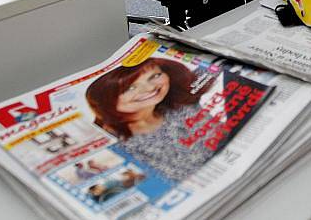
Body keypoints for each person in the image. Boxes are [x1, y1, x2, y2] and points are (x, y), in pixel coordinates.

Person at [86, 58, 215, 182]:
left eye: (154, 76)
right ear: (105, 100)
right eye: (130, 88)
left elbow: (216, 65)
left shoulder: (178, 101)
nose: (149, 88)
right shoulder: (119, 146)